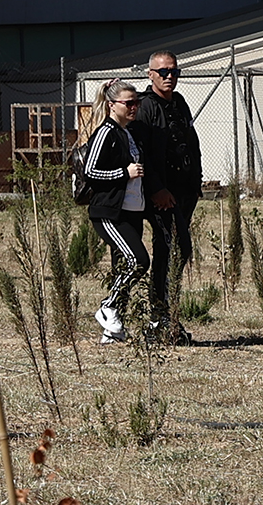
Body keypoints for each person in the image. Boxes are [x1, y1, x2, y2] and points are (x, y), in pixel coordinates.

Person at [80, 79, 152, 345]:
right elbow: (90, 172)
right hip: (109, 212)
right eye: (129, 103)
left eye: (137, 103)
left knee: (121, 266)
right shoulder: (106, 132)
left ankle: (112, 329)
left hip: (132, 210)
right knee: (139, 261)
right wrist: (124, 172)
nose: (134, 107)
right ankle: (107, 308)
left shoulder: (127, 132)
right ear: (112, 105)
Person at [134, 51, 198, 341]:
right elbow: (141, 152)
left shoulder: (180, 103)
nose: (169, 76)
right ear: (150, 75)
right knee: (174, 248)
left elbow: (189, 141)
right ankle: (159, 316)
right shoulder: (145, 107)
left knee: (175, 249)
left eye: (174, 71)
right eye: (162, 72)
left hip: (184, 191)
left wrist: (195, 181)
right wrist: (156, 188)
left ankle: (166, 315)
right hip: (161, 194)